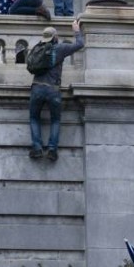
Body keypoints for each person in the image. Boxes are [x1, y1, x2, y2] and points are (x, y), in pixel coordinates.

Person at [29, 20, 85, 162]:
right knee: (55, 120)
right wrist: (76, 30)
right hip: (53, 89)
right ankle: (52, 149)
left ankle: (37, 147)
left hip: (36, 87)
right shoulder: (60, 48)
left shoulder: (37, 48)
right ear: (55, 37)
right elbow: (80, 44)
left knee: (34, 118)